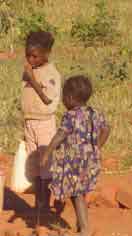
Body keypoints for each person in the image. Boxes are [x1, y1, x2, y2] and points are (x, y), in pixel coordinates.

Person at [41, 75, 110, 236]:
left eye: (63, 97)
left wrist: (47, 152)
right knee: (78, 193)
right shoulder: (95, 113)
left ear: (70, 98)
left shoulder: (70, 116)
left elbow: (60, 135)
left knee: (77, 194)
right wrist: (97, 146)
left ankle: (85, 230)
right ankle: (81, 225)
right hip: (90, 161)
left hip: (75, 163)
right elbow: (107, 129)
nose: (63, 101)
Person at [21, 31, 61, 212]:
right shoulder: (31, 70)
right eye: (27, 55)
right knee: (34, 164)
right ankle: (39, 202)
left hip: (44, 123)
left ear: (46, 54)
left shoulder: (50, 74)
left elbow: (48, 100)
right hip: (30, 121)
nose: (30, 59)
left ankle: (45, 203)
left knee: (46, 165)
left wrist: (32, 80)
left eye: (35, 56)